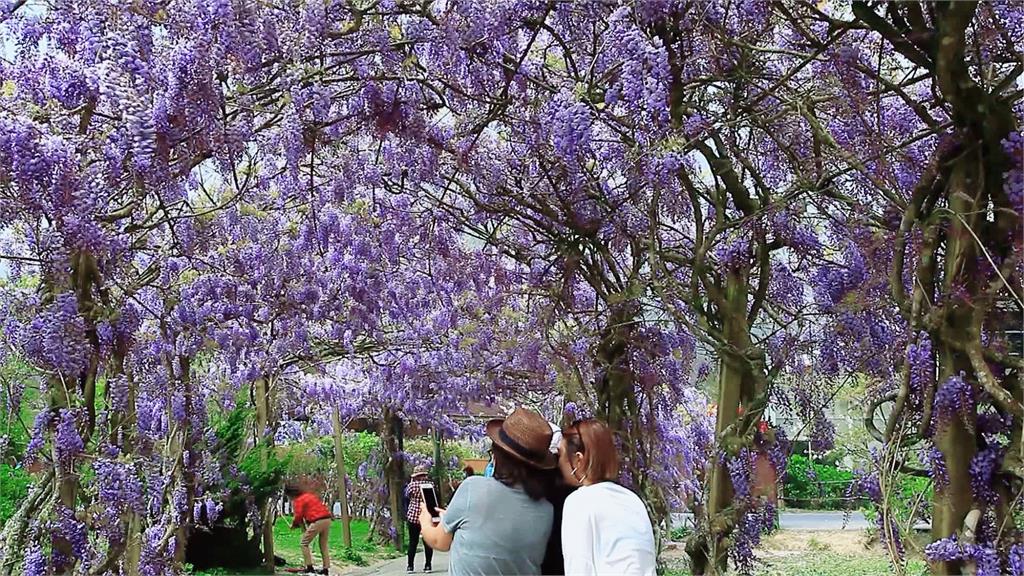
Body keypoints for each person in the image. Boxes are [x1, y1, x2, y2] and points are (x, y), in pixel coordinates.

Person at [418, 407, 556, 576]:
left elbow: (439, 541)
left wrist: (425, 520)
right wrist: (453, 519)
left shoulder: (473, 487)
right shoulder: (547, 511)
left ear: (497, 455)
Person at [558, 418, 656, 576]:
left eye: (560, 454)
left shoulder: (579, 502)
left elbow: (579, 568)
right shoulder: (632, 499)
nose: (559, 462)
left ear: (578, 459)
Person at [284, 484, 332, 575]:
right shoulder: (309, 496)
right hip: (327, 519)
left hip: (317, 521)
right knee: (323, 545)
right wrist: (301, 526)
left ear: (291, 495)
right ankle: (326, 569)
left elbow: (298, 516)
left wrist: (293, 525)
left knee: (304, 544)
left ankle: (309, 567)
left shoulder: (298, 500)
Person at [404, 465, 434, 573]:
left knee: (413, 542)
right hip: (426, 516)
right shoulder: (430, 485)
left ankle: (410, 566)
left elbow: (406, 497)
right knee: (428, 542)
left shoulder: (411, 485)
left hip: (413, 516)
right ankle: (428, 566)